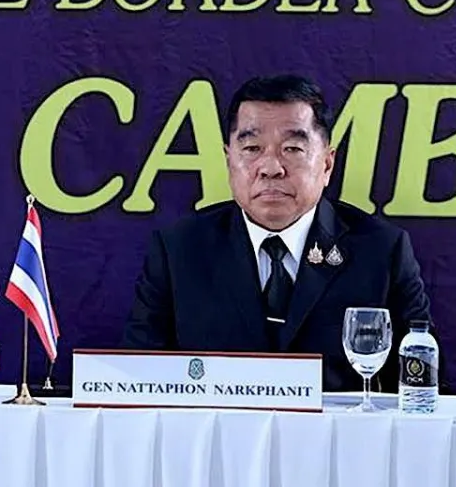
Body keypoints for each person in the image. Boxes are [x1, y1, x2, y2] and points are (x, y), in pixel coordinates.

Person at [123, 74, 430, 391]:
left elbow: (421, 385)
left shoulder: (381, 250)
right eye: (252, 148)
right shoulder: (180, 250)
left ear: (327, 164)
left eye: (293, 148)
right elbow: (139, 380)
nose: (271, 168)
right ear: (229, 160)